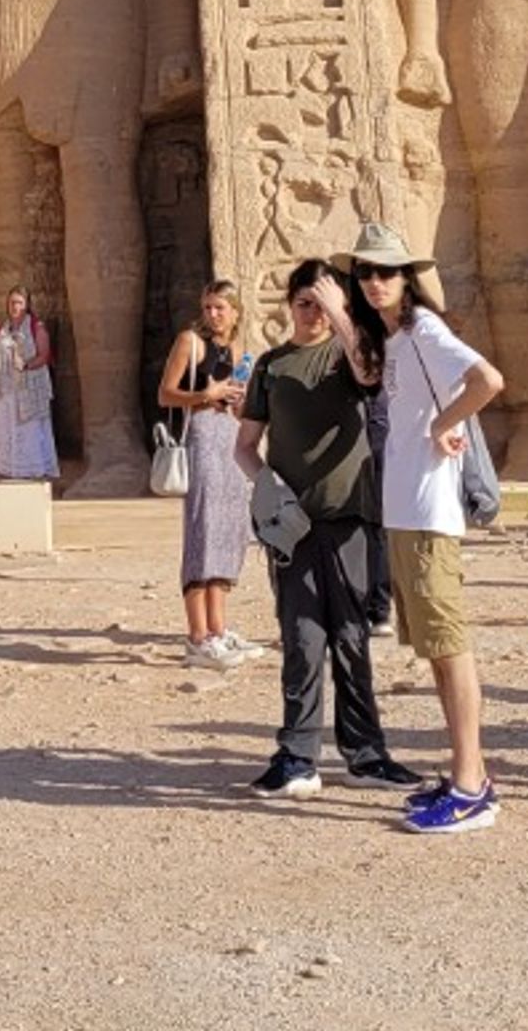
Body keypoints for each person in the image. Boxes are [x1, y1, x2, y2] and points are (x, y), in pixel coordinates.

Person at [237, 256, 410, 800]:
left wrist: (342, 312)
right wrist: (270, 491)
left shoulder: (345, 356)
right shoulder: (272, 366)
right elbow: (244, 447)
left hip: (348, 518)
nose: (313, 312)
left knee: (351, 637)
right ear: (289, 305)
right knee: (302, 641)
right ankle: (298, 754)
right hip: (294, 526)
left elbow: (370, 374)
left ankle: (366, 753)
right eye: (305, 302)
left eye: (322, 302)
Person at [352, 218, 503, 834]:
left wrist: (449, 423)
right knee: (436, 653)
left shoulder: (422, 329)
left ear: (407, 277)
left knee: (449, 646)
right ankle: (463, 773)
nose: (373, 282)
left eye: (385, 271)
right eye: (364, 272)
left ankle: (473, 787)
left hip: (429, 510)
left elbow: (487, 380)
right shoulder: (393, 339)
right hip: (406, 510)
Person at [158, 279, 253, 669]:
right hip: (201, 435)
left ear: (234, 311)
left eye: (220, 308)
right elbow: (165, 393)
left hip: (231, 436)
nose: (213, 314)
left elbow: (241, 402)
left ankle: (218, 627)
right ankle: (197, 635)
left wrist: (238, 399)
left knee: (229, 530)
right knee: (203, 529)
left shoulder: (239, 349)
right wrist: (205, 396)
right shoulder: (189, 342)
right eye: (208, 307)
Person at [0, 287, 58, 483]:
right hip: (6, 389)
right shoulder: (3, 329)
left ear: (26, 305)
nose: (14, 307)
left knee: (30, 429)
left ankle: (32, 469)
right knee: (6, 428)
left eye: (18, 302)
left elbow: (44, 355)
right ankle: (10, 469)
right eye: (11, 302)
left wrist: (26, 365)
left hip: (30, 387)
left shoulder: (37, 327)